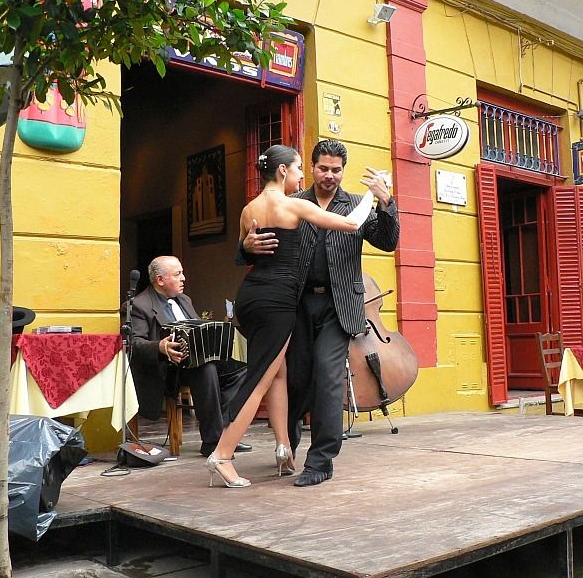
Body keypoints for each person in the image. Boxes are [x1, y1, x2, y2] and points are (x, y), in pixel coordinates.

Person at [206, 144, 374, 488]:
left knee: (279, 373)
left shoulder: (248, 208)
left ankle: (284, 446)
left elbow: (244, 249)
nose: (301, 176)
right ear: (283, 171)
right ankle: (222, 453)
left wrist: (245, 247)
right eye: (299, 169)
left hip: (251, 296)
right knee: (261, 378)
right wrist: (372, 195)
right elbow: (351, 222)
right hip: (280, 300)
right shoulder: (295, 203)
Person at [241, 139, 399, 487]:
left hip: (338, 305)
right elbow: (260, 251)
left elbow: (387, 242)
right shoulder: (292, 201)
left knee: (328, 379)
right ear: (311, 168)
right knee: (296, 379)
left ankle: (321, 461)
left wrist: (386, 200)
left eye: (336, 170)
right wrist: (245, 248)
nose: (329, 175)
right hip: (294, 304)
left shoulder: (358, 203)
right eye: (323, 168)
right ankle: (288, 446)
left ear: (343, 171)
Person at [129, 255, 252, 457]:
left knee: (241, 367)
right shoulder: (139, 305)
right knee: (206, 368)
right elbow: (135, 344)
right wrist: (160, 347)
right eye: (178, 274)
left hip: (194, 363)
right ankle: (212, 442)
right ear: (160, 280)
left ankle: (225, 434)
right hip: (166, 371)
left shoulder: (185, 300)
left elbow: (197, 330)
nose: (184, 278)